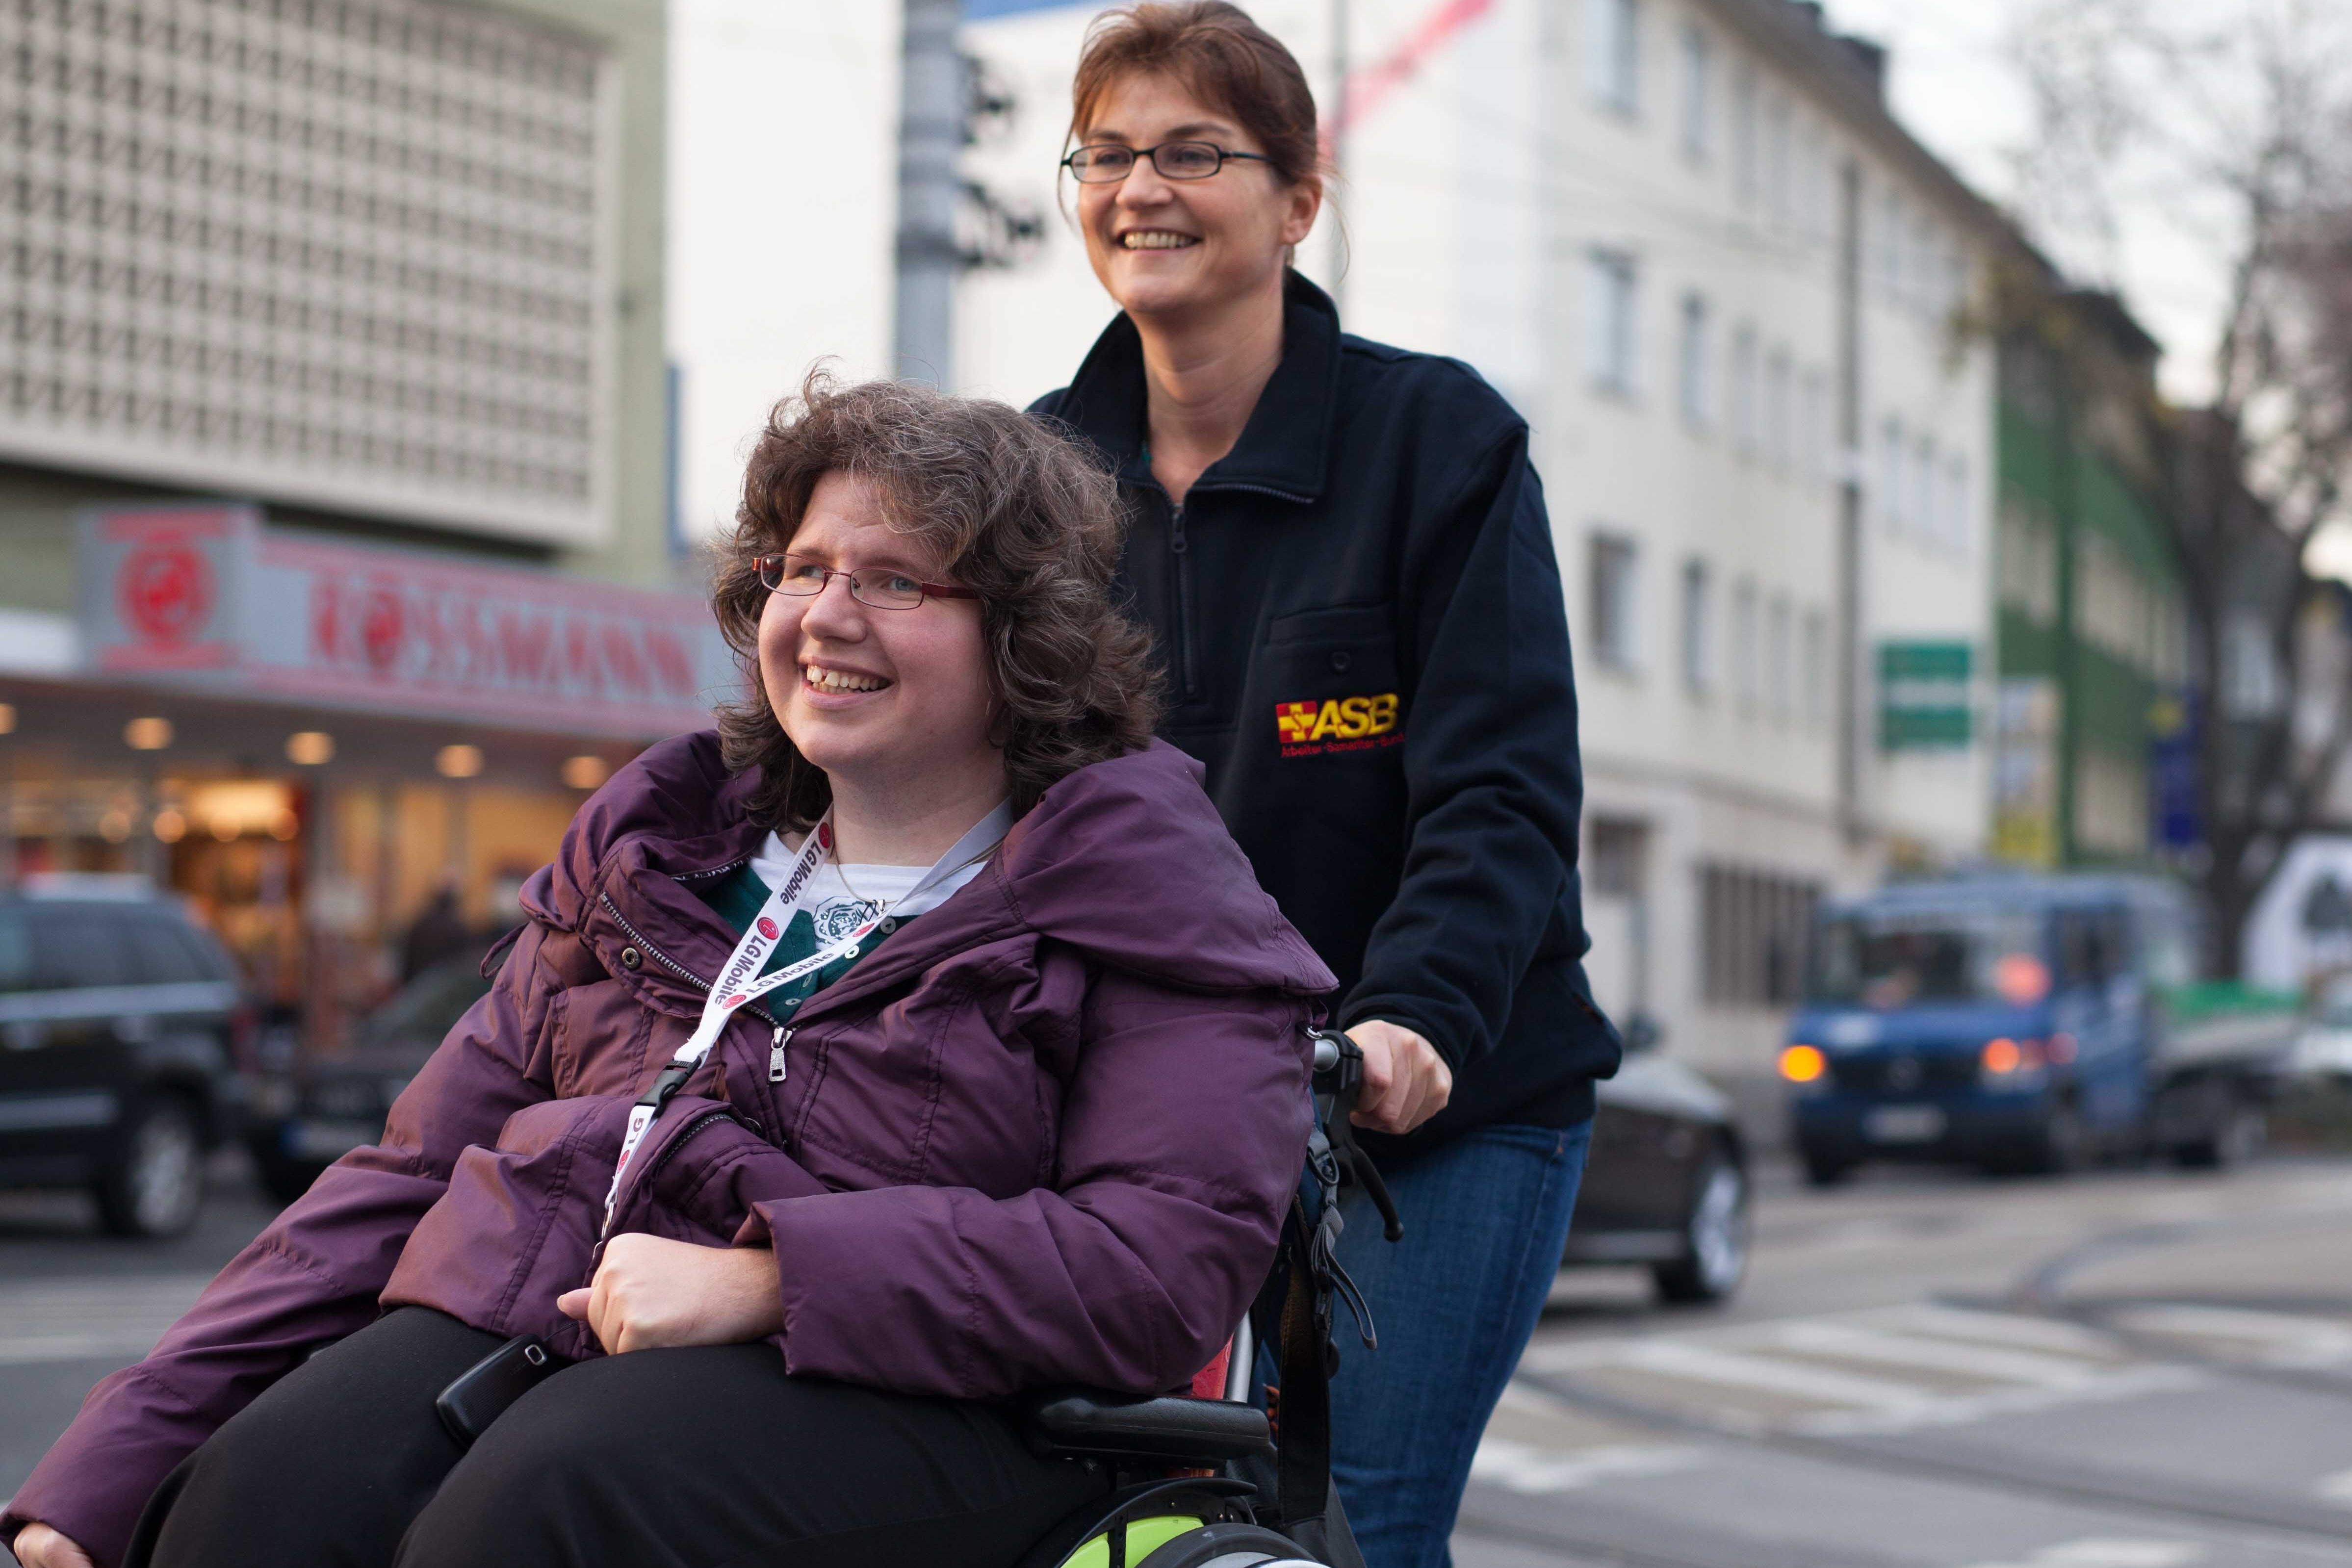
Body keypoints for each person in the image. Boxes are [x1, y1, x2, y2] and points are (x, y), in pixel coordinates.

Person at [4, 379, 1332, 1568]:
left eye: (896, 581)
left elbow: (1158, 1270)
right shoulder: (663, 855)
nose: (825, 617)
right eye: (801, 568)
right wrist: (110, 1466)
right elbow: (402, 1179)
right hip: (572, 1314)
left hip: (973, 1401)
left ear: (1022, 635)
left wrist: (775, 1281)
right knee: (255, 1495)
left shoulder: (1149, 894)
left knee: (543, 1512)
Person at [1029, 7, 1621, 1565]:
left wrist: (1412, 1017)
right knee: (1140, 1528)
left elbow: (1499, 793)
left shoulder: (1438, 442)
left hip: (1435, 1118)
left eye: (1193, 153)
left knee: (1356, 1530)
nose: (1140, 188)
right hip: (1154, 1129)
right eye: (1108, 153)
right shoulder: (1032, 486)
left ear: (1298, 198)